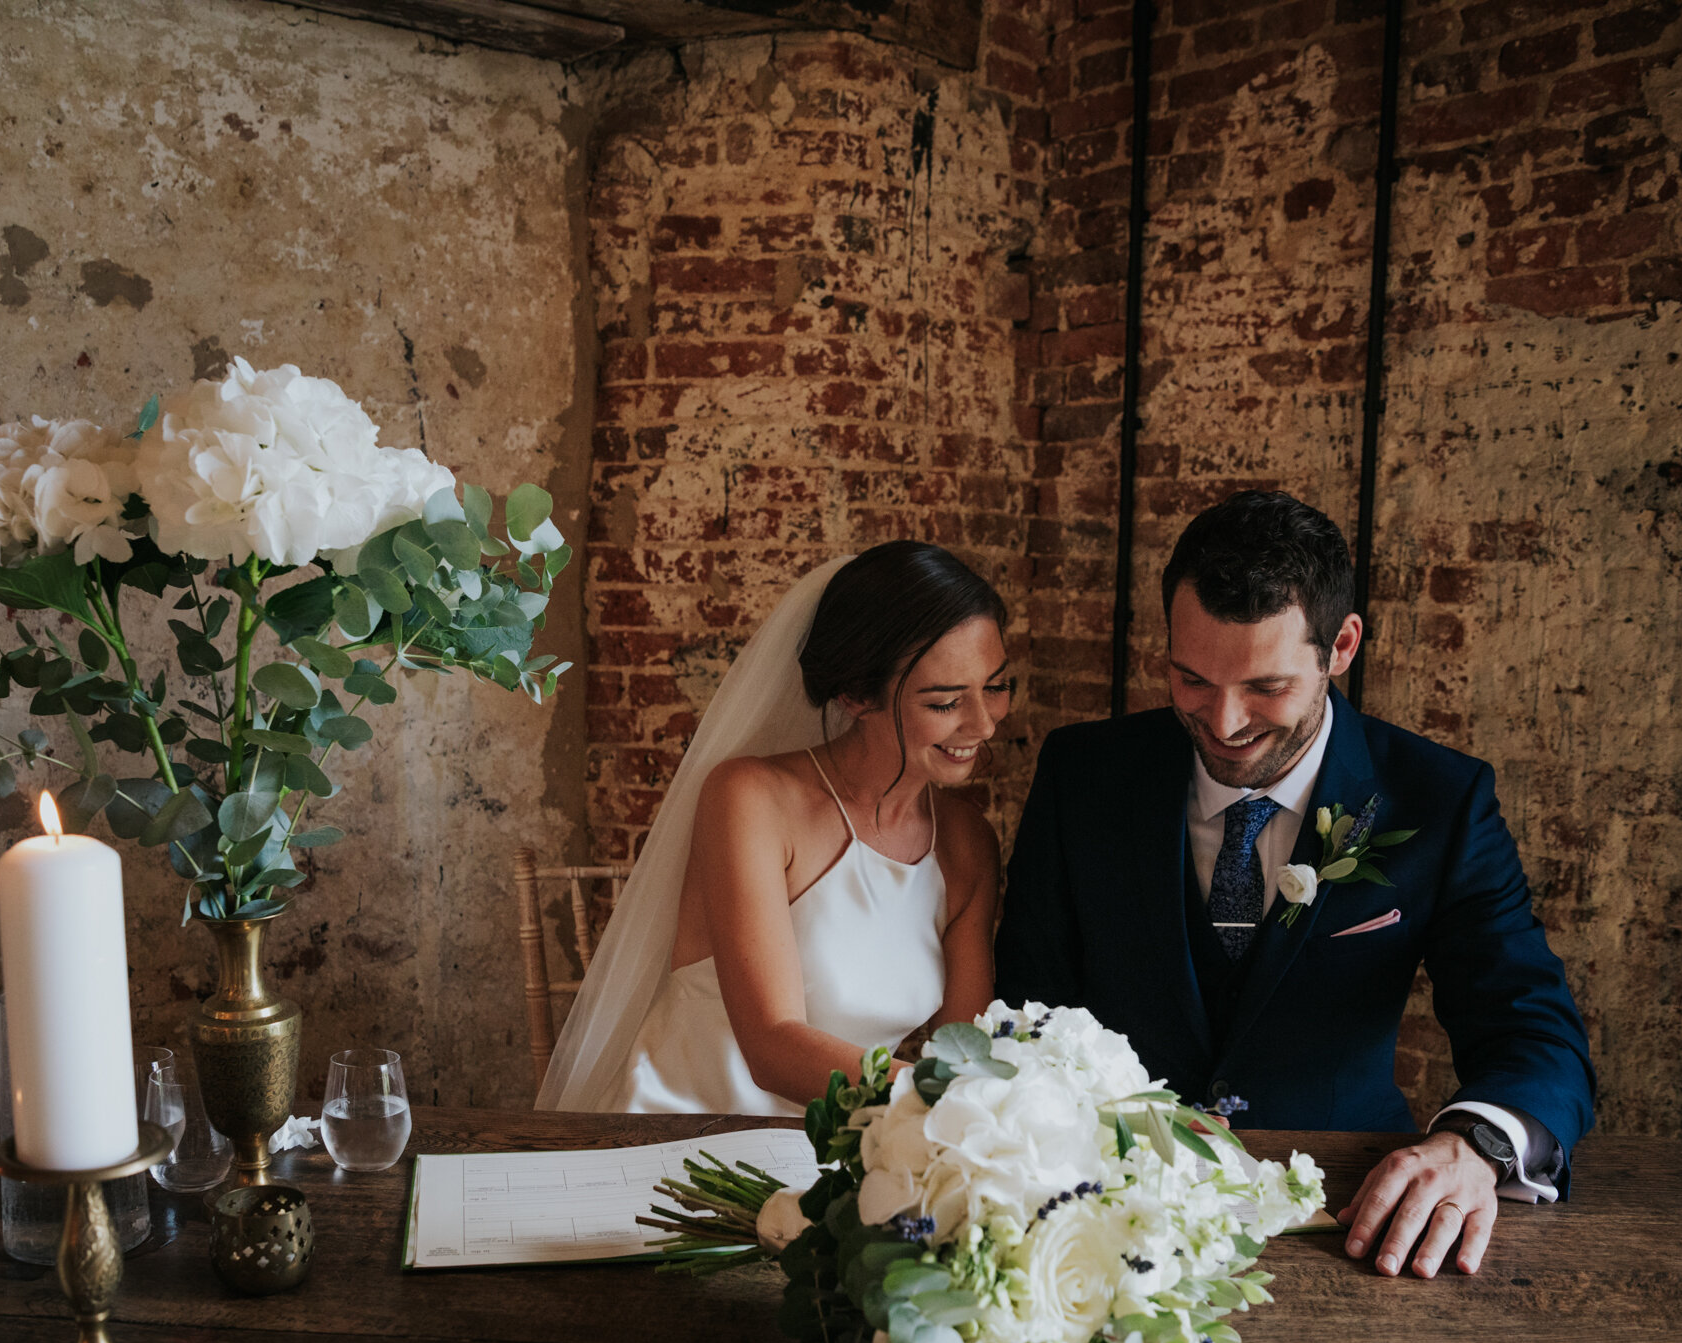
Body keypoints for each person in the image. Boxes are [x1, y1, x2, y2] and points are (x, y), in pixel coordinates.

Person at [994, 490, 1594, 1279]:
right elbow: (1026, 1009)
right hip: (1100, 1225)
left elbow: (1535, 1027)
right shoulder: (1082, 775)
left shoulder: (1440, 800)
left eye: (1266, 687)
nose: (1225, 721)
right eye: (1191, 679)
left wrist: (1475, 1145)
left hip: (1351, 1228)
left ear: (1340, 647)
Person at [536, 542, 1011, 1123]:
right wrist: (968, 1102)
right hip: (679, 1135)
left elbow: (965, 1050)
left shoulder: (966, 844)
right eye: (945, 702)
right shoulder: (750, 798)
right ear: (856, 695)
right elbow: (773, 1046)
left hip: (840, 1158)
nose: (983, 724)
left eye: (995, 687)